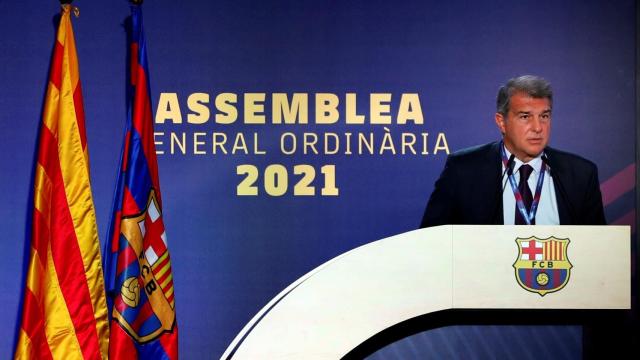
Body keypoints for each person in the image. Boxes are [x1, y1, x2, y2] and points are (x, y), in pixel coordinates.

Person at [420, 75, 606, 228]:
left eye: (544, 116)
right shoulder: (463, 170)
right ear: (501, 122)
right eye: (525, 116)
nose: (538, 127)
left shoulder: (581, 174)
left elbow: (597, 253)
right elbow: (431, 242)